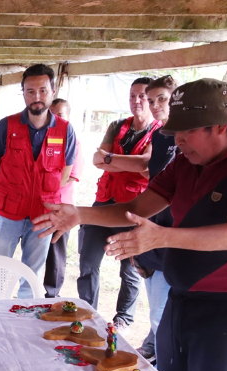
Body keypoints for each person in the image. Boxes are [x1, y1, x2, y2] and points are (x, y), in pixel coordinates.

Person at [33, 78, 227, 371]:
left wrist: (161, 237)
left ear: (218, 125)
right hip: (180, 304)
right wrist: (79, 214)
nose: (177, 140)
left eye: (185, 132)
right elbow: (136, 209)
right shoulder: (186, 163)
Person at [0, 63, 76, 298]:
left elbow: (64, 173)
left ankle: (25, 321)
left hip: (43, 215)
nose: (37, 97)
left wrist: (40, 194)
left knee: (31, 276)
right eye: (30, 91)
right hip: (7, 214)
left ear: (52, 92)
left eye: (43, 90)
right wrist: (13, 193)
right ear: (23, 93)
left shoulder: (66, 130)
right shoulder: (7, 125)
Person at [79, 77, 161, 331]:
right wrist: (129, 163)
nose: (137, 101)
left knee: (130, 267)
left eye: (143, 97)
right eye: (132, 96)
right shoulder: (117, 125)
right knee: (88, 261)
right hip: (104, 202)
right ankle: (86, 311)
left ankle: (124, 318)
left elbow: (146, 167)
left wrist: (112, 159)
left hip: (134, 207)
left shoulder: (159, 132)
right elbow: (96, 159)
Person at [131, 75, 179, 362]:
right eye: (152, 100)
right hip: (154, 233)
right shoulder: (160, 138)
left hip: (177, 240)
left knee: (164, 318)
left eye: (162, 98)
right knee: (157, 314)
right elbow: (153, 189)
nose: (156, 105)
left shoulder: (197, 144)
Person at [42, 98, 82, 298]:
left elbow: (72, 175)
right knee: (36, 249)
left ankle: (52, 294)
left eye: (61, 114)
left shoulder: (73, 141)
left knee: (55, 252)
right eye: (53, 113)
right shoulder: (42, 137)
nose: (56, 118)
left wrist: (45, 187)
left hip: (61, 208)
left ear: (68, 117)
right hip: (39, 207)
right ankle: (31, 291)